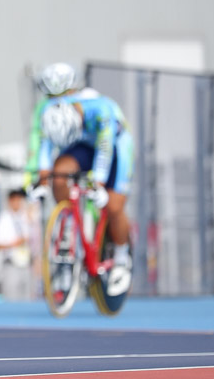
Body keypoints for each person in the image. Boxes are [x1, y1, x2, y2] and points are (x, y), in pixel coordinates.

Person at [38, 92, 134, 296]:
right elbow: (46, 146)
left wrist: (98, 184)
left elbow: (105, 151)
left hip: (116, 147)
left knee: (114, 205)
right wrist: (43, 178)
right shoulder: (52, 112)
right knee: (60, 175)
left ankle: (121, 255)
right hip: (83, 145)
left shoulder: (101, 111)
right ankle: (68, 226)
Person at [23, 62, 99, 190]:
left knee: (113, 204)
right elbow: (40, 142)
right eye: (51, 97)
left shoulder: (92, 103)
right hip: (75, 150)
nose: (59, 103)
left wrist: (101, 177)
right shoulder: (44, 109)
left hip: (99, 147)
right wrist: (35, 177)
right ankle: (68, 209)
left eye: (65, 95)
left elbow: (106, 142)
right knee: (59, 177)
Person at [0, 189, 33, 301]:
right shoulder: (3, 218)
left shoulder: (25, 217)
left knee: (27, 301)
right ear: (9, 201)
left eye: (19, 200)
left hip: (26, 265)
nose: (17, 203)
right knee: (11, 300)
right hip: (11, 265)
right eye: (15, 200)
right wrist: (14, 244)